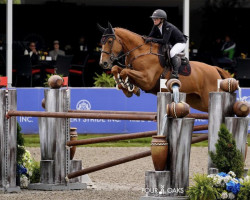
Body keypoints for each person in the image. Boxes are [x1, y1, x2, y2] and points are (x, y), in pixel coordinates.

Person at [145, 9, 187, 79]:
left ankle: (175, 73)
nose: (154, 20)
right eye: (153, 18)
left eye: (156, 19)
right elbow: (150, 36)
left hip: (180, 42)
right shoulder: (155, 26)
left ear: (162, 20)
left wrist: (151, 39)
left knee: (172, 52)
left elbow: (164, 41)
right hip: (171, 43)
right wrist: (145, 38)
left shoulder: (168, 27)